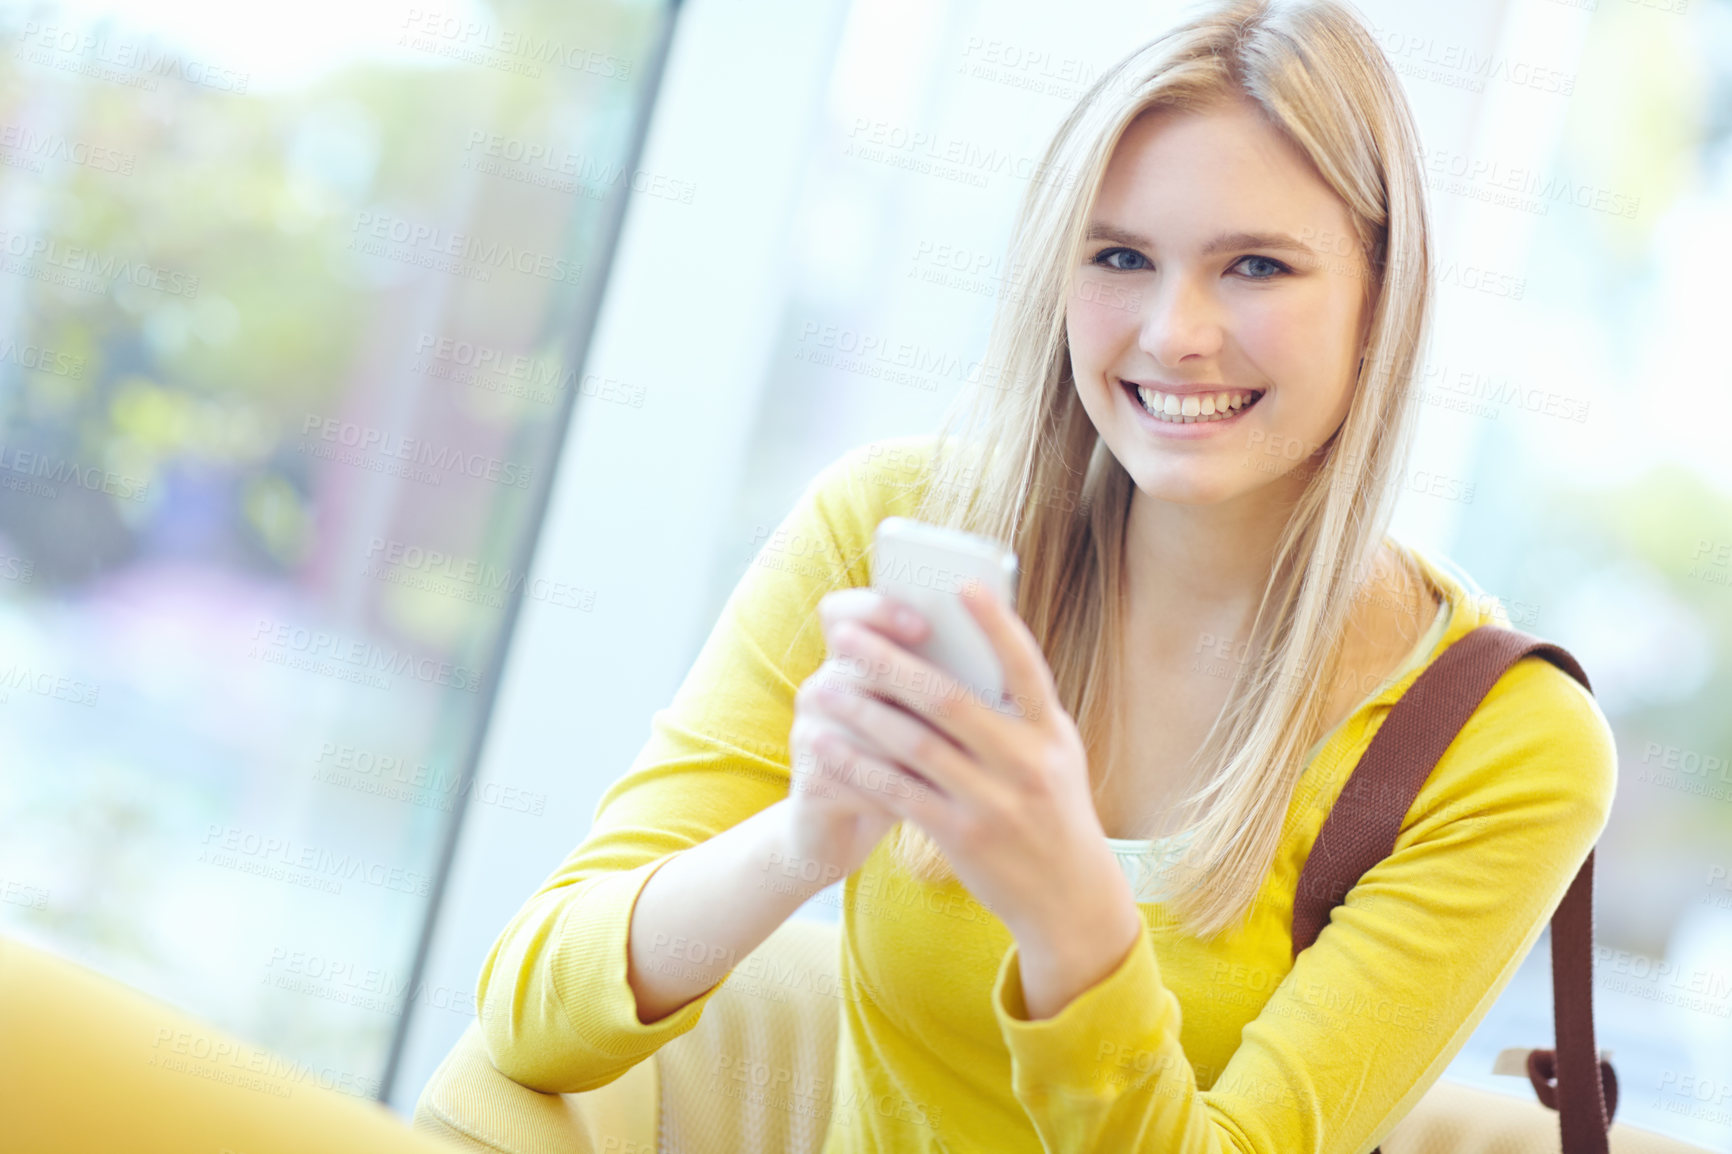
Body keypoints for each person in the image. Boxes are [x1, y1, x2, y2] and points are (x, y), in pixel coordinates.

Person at [473, 1, 1616, 1150]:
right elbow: (528, 1019)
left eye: (1256, 266)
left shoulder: (1503, 743)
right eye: (1120, 255)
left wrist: (1072, 924)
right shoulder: (886, 528)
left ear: (1382, 296)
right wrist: (798, 844)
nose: (1174, 332)